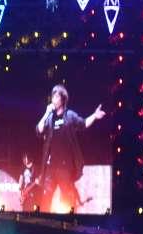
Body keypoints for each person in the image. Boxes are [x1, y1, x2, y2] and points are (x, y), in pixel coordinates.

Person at [34, 84, 106, 212]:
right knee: (45, 199)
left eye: (56, 97)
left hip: (65, 167)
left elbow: (83, 124)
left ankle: (66, 221)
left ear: (63, 99)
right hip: (50, 167)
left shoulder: (70, 115)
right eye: (52, 97)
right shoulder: (49, 118)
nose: (53, 100)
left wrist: (94, 116)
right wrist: (46, 113)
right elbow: (38, 131)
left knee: (66, 200)